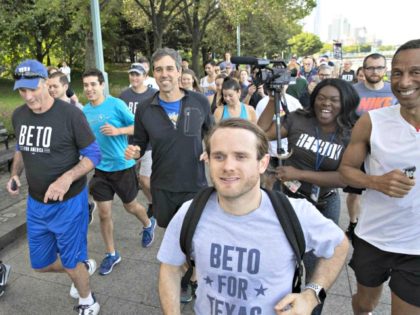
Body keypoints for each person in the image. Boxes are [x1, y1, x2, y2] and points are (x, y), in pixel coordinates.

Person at [157, 118, 349, 314]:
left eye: (240, 156)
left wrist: (312, 294)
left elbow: (339, 245)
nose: (228, 166)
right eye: (219, 156)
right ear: (208, 159)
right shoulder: (190, 212)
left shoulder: (295, 213)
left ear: (262, 163)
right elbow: (170, 268)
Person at [7, 59, 101, 314]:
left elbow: (94, 155)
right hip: (36, 204)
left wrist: (66, 178)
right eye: (22, 91)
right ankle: (82, 265)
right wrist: (15, 174)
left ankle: (88, 300)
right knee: (41, 264)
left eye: (32, 88)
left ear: (46, 84)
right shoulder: (19, 115)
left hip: (69, 203)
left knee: (70, 262)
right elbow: (21, 149)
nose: (28, 96)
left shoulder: (70, 115)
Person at [258, 78, 359, 314]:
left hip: (324, 203)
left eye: (334, 100)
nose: (326, 104)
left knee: (317, 271)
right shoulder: (298, 119)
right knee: (281, 260)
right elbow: (261, 133)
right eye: (321, 98)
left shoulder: (351, 133)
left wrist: (299, 173)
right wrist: (274, 98)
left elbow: (345, 177)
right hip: (289, 200)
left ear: (345, 103)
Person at [124, 47, 213, 302]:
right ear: (154, 73)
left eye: (169, 68)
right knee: (176, 239)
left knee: (197, 237)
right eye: (159, 69)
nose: (165, 74)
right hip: (163, 186)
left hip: (195, 184)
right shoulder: (145, 109)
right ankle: (185, 276)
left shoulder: (199, 101)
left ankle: (193, 278)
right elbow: (140, 142)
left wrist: (210, 148)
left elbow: (211, 132)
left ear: (179, 70)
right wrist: (134, 150)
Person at [339, 39, 420, 315]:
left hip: (416, 248)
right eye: (397, 72)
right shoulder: (372, 121)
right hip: (373, 237)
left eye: (415, 72)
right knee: (364, 305)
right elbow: (346, 169)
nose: (404, 81)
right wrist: (376, 182)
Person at [82, 68, 156, 277]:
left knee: (130, 206)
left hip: (123, 167)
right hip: (101, 170)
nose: (89, 89)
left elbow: (138, 127)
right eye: (86, 85)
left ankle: (148, 224)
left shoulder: (116, 104)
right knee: (104, 214)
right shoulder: (84, 112)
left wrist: (118, 131)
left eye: (93, 84)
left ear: (101, 85)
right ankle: (112, 253)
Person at [345, 53, 399, 240]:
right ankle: (353, 223)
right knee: (354, 191)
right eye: (370, 68)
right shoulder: (352, 91)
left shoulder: (394, 91)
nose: (374, 71)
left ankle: (385, 225)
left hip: (387, 149)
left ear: (385, 69)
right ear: (363, 70)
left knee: (386, 189)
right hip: (359, 148)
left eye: (378, 67)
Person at [119, 63, 158, 217]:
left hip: (149, 144)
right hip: (129, 144)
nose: (134, 77)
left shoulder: (154, 94)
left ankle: (155, 204)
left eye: (137, 74)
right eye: (132, 74)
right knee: (132, 181)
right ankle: (151, 202)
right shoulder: (124, 96)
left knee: (145, 180)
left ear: (145, 77)